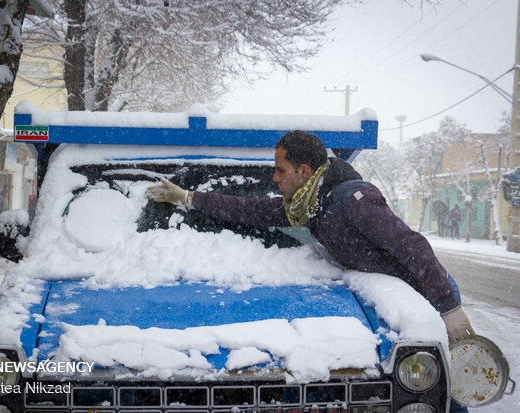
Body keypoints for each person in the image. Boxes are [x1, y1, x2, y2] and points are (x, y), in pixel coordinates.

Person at [147, 130, 472, 412]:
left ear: (303, 171)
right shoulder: (308, 204)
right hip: (399, 295)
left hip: (426, 297)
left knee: (444, 393)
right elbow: (251, 209)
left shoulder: (352, 199)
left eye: (279, 170)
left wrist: (448, 307)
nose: (274, 178)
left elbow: (411, 246)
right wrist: (189, 198)